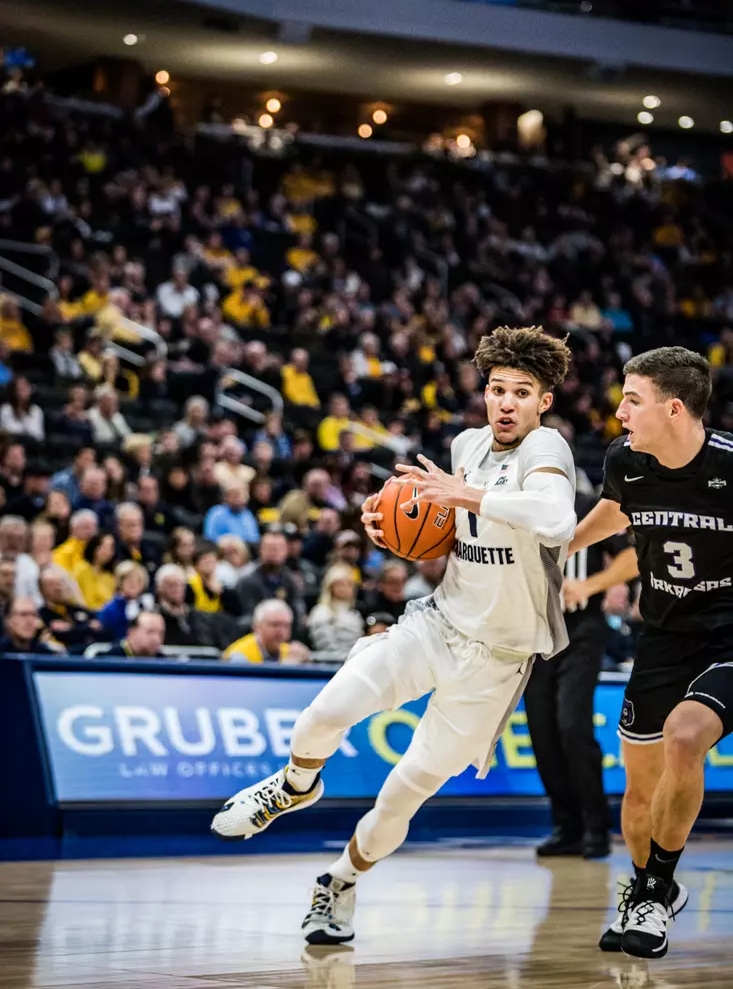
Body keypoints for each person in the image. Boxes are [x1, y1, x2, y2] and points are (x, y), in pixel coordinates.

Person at [211, 325, 576, 946]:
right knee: (325, 712)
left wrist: (464, 494)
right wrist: (396, 525)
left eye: (521, 392)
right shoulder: (466, 444)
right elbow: (455, 533)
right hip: (437, 623)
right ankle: (296, 785)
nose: (506, 403)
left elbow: (556, 517)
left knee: (402, 795)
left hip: (497, 661)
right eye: (497, 389)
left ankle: (340, 882)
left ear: (543, 401)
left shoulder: (546, 447)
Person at [566, 345, 733, 960]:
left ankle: (657, 891)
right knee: (639, 794)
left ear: (674, 408)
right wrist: (558, 549)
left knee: (685, 736)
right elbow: (614, 513)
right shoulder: (625, 461)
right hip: (663, 636)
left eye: (632, 400)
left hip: (728, 637)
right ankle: (646, 890)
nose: (619, 412)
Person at [524, 486, 634, 861]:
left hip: (581, 629)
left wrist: (590, 585)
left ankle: (596, 827)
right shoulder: (517, 505)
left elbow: (632, 557)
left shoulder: (587, 505)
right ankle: (567, 828)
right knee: (542, 733)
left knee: (573, 726)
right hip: (534, 632)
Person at [222, 599, 309, 664]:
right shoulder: (239, 655)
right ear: (257, 627)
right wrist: (287, 667)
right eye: (275, 625)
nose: (281, 631)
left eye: (286, 625)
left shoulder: (290, 652)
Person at [307, 563, 365, 659]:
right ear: (330, 586)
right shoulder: (321, 612)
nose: (345, 588)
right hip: (329, 661)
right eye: (341, 584)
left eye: (349, 584)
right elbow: (325, 645)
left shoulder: (355, 614)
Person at [75, 532, 118, 611]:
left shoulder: (110, 576)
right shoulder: (81, 569)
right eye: (103, 547)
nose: (106, 552)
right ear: (94, 546)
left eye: (110, 548)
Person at [96, 610, 166, 659]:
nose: (156, 638)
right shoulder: (109, 659)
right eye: (150, 632)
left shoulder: (164, 663)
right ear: (131, 632)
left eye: (160, 633)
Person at [0, 376, 45, 442]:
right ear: (14, 391)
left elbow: (38, 436)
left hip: (31, 445)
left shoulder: (36, 410)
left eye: (25, 389)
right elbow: (6, 433)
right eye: (19, 389)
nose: (22, 392)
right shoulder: (5, 409)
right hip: (11, 444)